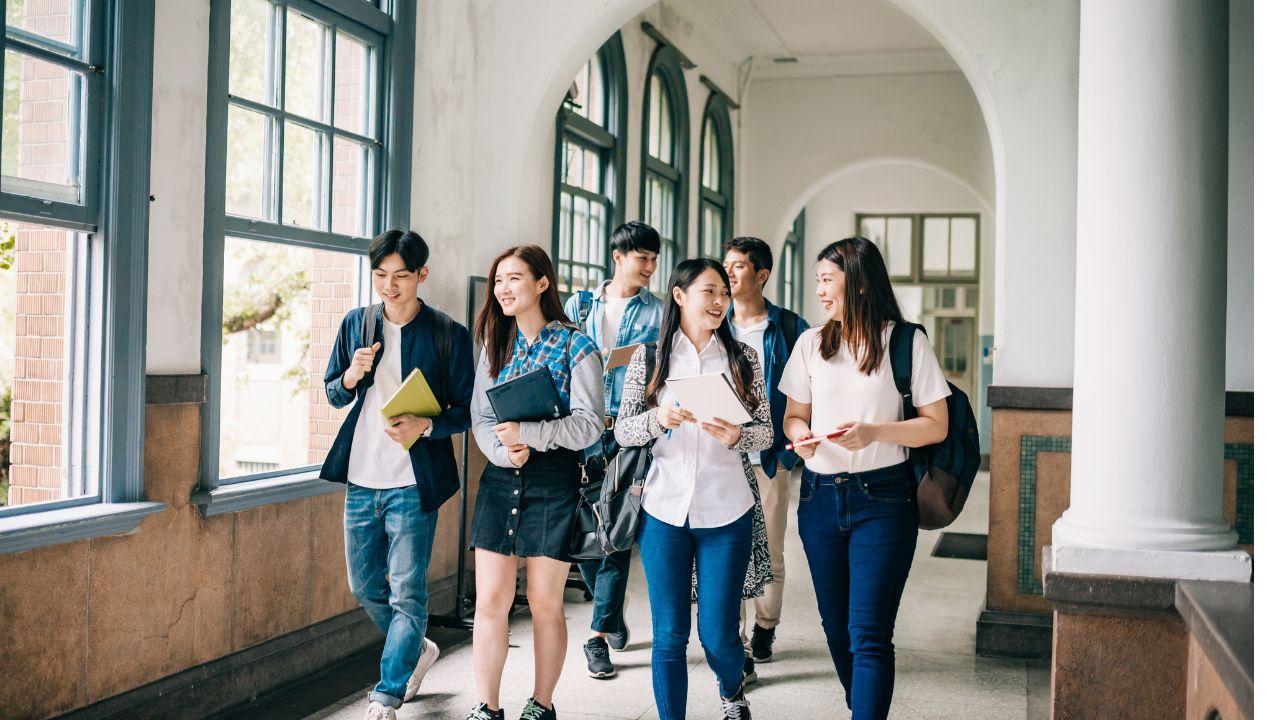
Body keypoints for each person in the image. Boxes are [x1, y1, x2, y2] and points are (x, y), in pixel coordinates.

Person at [777, 237, 950, 720]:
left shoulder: (906, 341)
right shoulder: (812, 342)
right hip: (818, 499)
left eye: (828, 280)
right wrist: (802, 436)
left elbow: (936, 424)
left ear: (857, 282)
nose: (821, 291)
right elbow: (793, 416)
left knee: (869, 634)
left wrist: (875, 432)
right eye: (818, 281)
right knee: (837, 631)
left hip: (884, 500)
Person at [320, 229, 474, 720]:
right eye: (381, 276)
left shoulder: (448, 334)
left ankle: (387, 692)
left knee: (408, 589)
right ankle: (416, 647)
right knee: (365, 585)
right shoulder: (355, 325)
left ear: (421, 275)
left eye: (401, 276)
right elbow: (333, 393)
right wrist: (351, 375)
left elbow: (468, 410)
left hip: (413, 480)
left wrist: (427, 424)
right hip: (363, 477)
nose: (389, 286)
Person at [614, 258, 774, 720]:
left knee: (719, 633)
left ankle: (731, 692)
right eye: (709, 291)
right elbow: (624, 432)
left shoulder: (743, 359)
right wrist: (656, 419)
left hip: (727, 512)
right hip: (664, 510)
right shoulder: (649, 357)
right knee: (668, 634)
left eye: (724, 292)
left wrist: (738, 436)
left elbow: (766, 432)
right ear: (680, 296)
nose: (720, 301)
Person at [468, 245, 606, 720]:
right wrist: (505, 451)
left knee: (545, 602)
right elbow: (481, 417)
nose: (503, 290)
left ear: (542, 283)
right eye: (498, 281)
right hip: (500, 478)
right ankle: (487, 707)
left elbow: (590, 424)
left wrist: (531, 436)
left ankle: (541, 704)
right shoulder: (492, 343)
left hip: (553, 479)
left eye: (514, 279)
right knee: (490, 601)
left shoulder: (577, 345)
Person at [562, 221, 664, 679]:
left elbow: (661, 370)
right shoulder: (579, 304)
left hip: (627, 432)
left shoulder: (659, 311)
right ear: (618, 257)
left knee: (617, 532)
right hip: (578, 431)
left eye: (654, 260)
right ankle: (611, 611)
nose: (649, 268)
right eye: (642, 258)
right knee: (584, 534)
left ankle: (597, 636)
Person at [722, 236, 809, 682]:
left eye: (739, 267)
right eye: (727, 266)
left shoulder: (790, 327)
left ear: (762, 275)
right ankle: (733, 643)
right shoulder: (716, 323)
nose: (730, 274)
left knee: (769, 549)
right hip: (720, 456)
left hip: (768, 456)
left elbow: (805, 391)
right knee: (728, 551)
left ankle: (765, 626)